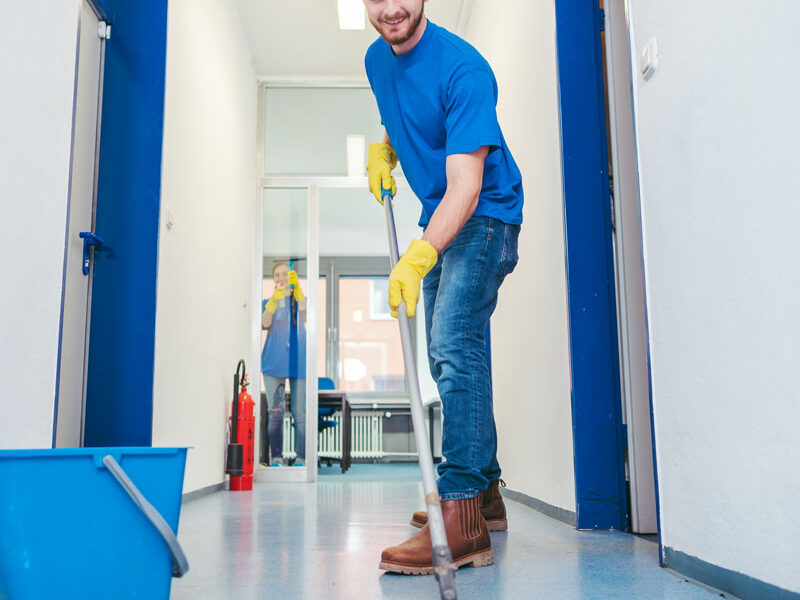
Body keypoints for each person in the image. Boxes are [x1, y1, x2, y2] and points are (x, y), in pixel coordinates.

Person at [363, 0, 523, 575]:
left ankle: (460, 517)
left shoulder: (464, 69)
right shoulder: (376, 60)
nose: (391, 9)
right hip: (442, 216)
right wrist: (385, 145)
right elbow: (405, 110)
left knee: (454, 340)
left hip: (486, 214)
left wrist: (420, 256)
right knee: (448, 351)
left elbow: (466, 186)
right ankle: (486, 493)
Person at [261, 262, 307, 467]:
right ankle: (276, 458)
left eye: (285, 274)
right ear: (273, 279)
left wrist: (298, 291)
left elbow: (306, 314)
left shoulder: (300, 301)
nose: (281, 278)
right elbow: (264, 323)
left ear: (292, 278)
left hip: (299, 362)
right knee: (275, 413)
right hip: (273, 363)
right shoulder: (268, 302)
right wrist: (273, 302)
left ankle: (301, 458)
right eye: (277, 275)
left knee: (300, 413)